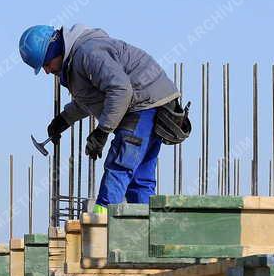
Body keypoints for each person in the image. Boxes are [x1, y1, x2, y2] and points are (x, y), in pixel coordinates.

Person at [19, 24, 190, 212]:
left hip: (143, 104)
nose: (46, 71)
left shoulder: (89, 53)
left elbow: (121, 90)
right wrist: (64, 119)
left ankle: (100, 227)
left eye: (46, 63)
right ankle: (144, 231)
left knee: (119, 164)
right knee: (140, 177)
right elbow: (90, 98)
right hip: (149, 103)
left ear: (54, 50)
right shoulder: (77, 60)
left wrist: (102, 131)